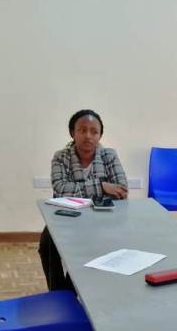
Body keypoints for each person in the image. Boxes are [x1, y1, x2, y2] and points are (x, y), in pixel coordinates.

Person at [38, 109, 128, 290]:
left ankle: (73, 289)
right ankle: (58, 293)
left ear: (100, 135)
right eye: (82, 130)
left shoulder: (108, 155)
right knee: (47, 242)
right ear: (73, 132)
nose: (88, 136)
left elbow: (121, 189)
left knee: (91, 247)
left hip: (100, 218)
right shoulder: (61, 157)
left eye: (94, 131)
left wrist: (79, 191)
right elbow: (61, 188)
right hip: (66, 216)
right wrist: (102, 187)